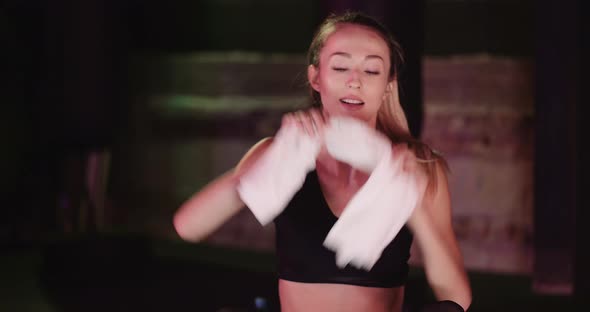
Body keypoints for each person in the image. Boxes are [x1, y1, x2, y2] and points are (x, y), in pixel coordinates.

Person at [173, 11, 472, 312]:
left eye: (371, 71)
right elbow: (188, 227)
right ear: (316, 77)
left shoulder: (417, 166)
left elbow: (458, 300)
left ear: (387, 86)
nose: (354, 82)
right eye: (341, 67)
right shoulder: (279, 153)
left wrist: (414, 203)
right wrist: (264, 170)